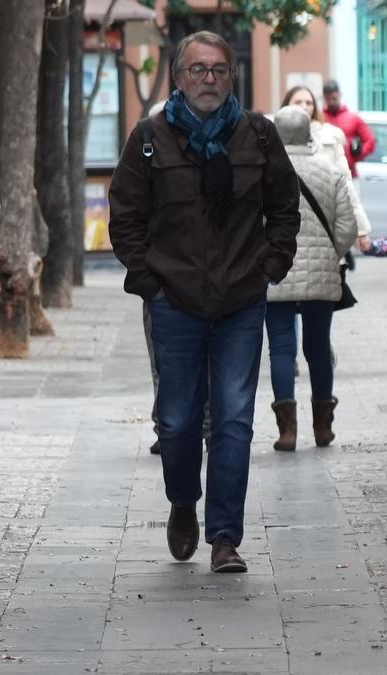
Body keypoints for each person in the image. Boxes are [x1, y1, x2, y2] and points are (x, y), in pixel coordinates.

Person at [109, 31, 300, 574]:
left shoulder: (258, 136)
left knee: (235, 418)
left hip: (242, 298)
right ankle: (182, 503)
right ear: (178, 76)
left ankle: (224, 536)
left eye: (218, 70)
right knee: (176, 420)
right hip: (174, 301)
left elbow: (284, 209)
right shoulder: (149, 137)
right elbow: (125, 216)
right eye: (198, 70)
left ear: (232, 76)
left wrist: (270, 267)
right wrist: (149, 281)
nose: (208, 79)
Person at [265, 106, 358, 451]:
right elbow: (347, 225)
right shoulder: (331, 169)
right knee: (318, 349)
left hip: (276, 276)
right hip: (321, 276)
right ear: (309, 133)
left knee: (281, 351)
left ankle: (287, 431)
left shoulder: (266, 173)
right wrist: (330, 254)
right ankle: (323, 427)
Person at [283, 86, 373, 253]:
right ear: (286, 105)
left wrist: (361, 230)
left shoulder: (329, 137)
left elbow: (346, 187)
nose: (304, 106)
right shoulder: (273, 136)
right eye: (298, 102)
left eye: (308, 102)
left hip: (324, 222)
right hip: (287, 227)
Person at [322, 80, 377, 179]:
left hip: (349, 173)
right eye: (328, 99)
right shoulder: (320, 118)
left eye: (334, 98)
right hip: (326, 174)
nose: (331, 102)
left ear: (340, 95)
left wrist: (359, 154)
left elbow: (370, 140)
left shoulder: (353, 118)